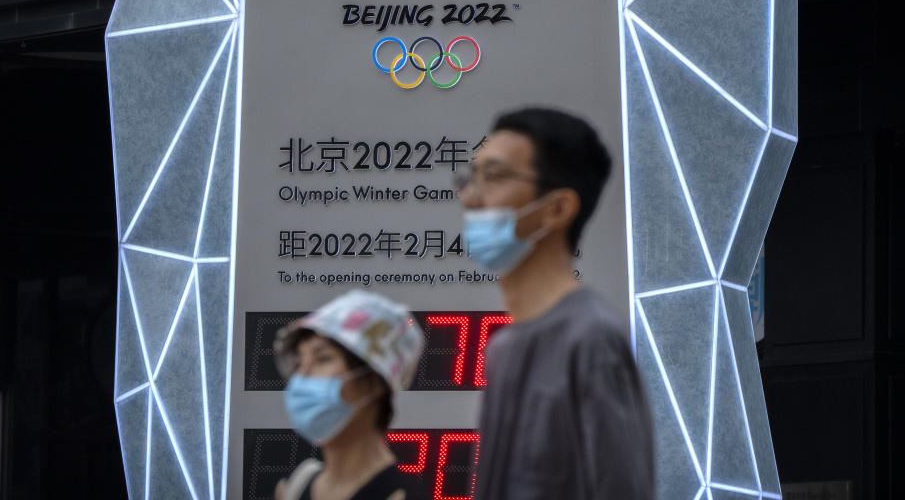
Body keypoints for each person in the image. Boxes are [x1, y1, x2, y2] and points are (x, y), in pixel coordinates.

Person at [458, 107, 654, 499]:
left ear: (558, 208)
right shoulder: (503, 348)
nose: (470, 198)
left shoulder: (591, 341)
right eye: (470, 178)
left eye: (494, 177)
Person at [272, 290, 427, 500]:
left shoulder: (400, 496)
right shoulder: (299, 485)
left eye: (323, 359)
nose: (303, 376)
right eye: (298, 363)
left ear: (373, 382)